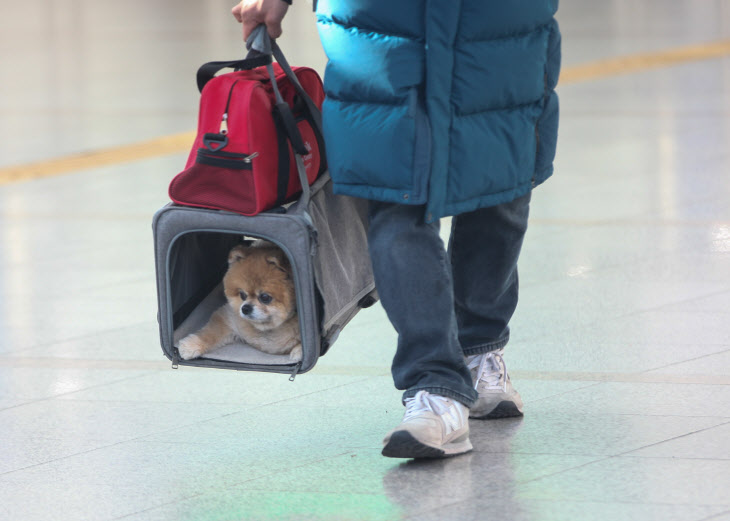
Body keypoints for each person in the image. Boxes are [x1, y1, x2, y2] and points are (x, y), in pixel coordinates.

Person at [232, 0, 561, 459]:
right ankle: (435, 387)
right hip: (380, 33)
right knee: (395, 202)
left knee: (499, 195)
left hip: (498, 28)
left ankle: (480, 348)